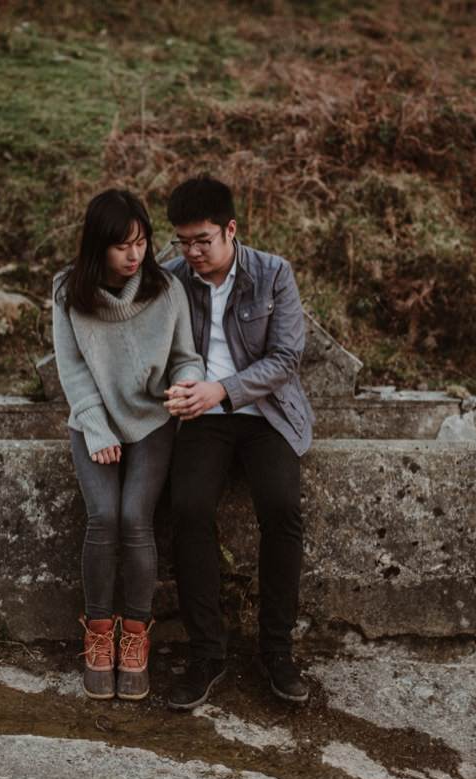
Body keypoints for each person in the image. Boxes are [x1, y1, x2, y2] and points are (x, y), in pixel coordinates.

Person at [161, 175, 314, 709]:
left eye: (203, 240)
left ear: (231, 230)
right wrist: (179, 389)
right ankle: (206, 652)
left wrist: (221, 390)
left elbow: (287, 359)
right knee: (187, 507)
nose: (193, 252)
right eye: (183, 241)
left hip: (266, 413)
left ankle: (277, 650)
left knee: (281, 506)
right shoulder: (172, 276)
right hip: (202, 417)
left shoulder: (273, 274)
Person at [52, 189, 205, 701]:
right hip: (93, 421)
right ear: (99, 247)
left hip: (154, 420)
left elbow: (186, 356)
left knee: (136, 516)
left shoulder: (167, 290)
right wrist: (95, 427)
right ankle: (98, 635)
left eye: (140, 242)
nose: (134, 255)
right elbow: (71, 370)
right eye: (122, 246)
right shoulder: (67, 293)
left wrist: (187, 386)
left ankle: (135, 637)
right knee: (104, 516)